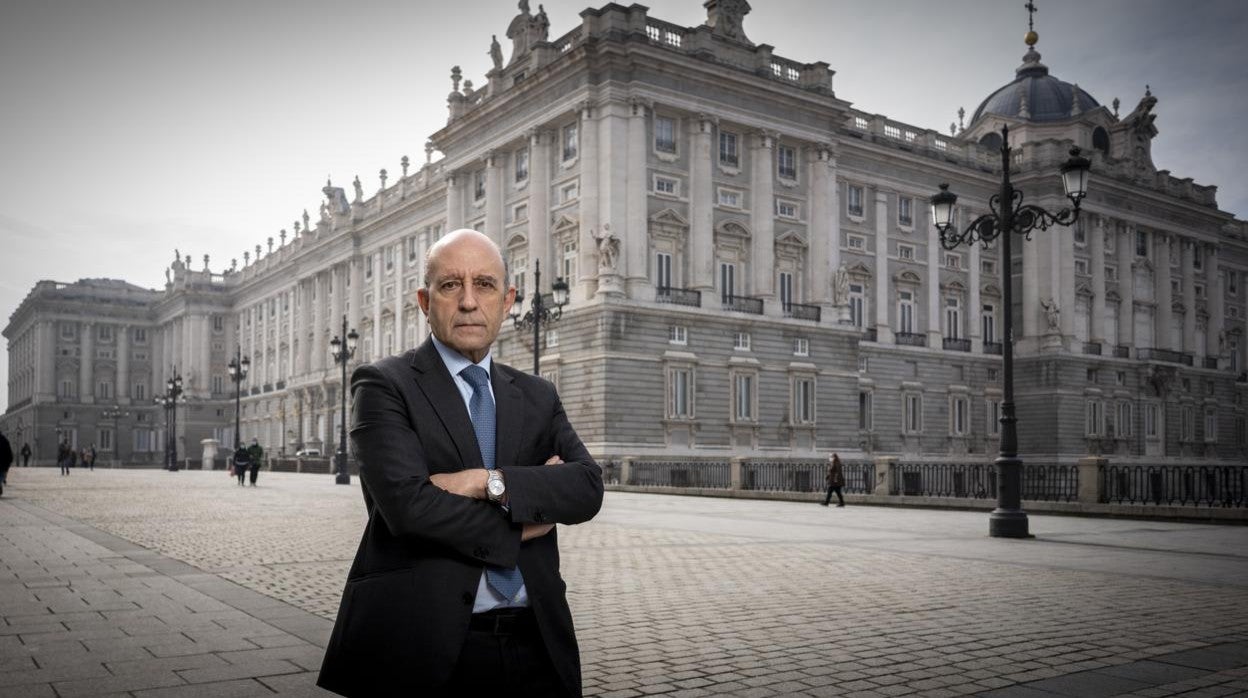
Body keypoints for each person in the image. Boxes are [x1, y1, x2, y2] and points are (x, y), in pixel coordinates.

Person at [318, 229, 604, 697]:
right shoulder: (382, 385)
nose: (469, 301)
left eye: (485, 285)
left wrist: (483, 482)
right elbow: (410, 510)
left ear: (508, 299)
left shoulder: (537, 394)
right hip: (424, 648)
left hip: (539, 644)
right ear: (424, 301)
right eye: (451, 285)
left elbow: (587, 488)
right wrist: (533, 517)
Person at [0, 431, 12, 496]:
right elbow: (9, 453)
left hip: (3, 464)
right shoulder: (5, 440)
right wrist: (8, 463)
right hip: (3, 464)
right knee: (1, 476)